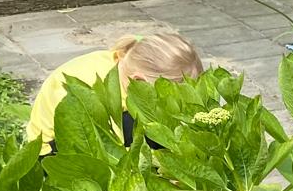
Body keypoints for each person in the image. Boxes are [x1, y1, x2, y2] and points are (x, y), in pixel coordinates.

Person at [26, 34, 203, 154]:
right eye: (167, 94)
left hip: (90, 129)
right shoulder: (94, 91)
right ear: (139, 81)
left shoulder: (132, 56)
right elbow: (99, 143)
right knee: (149, 132)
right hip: (53, 148)